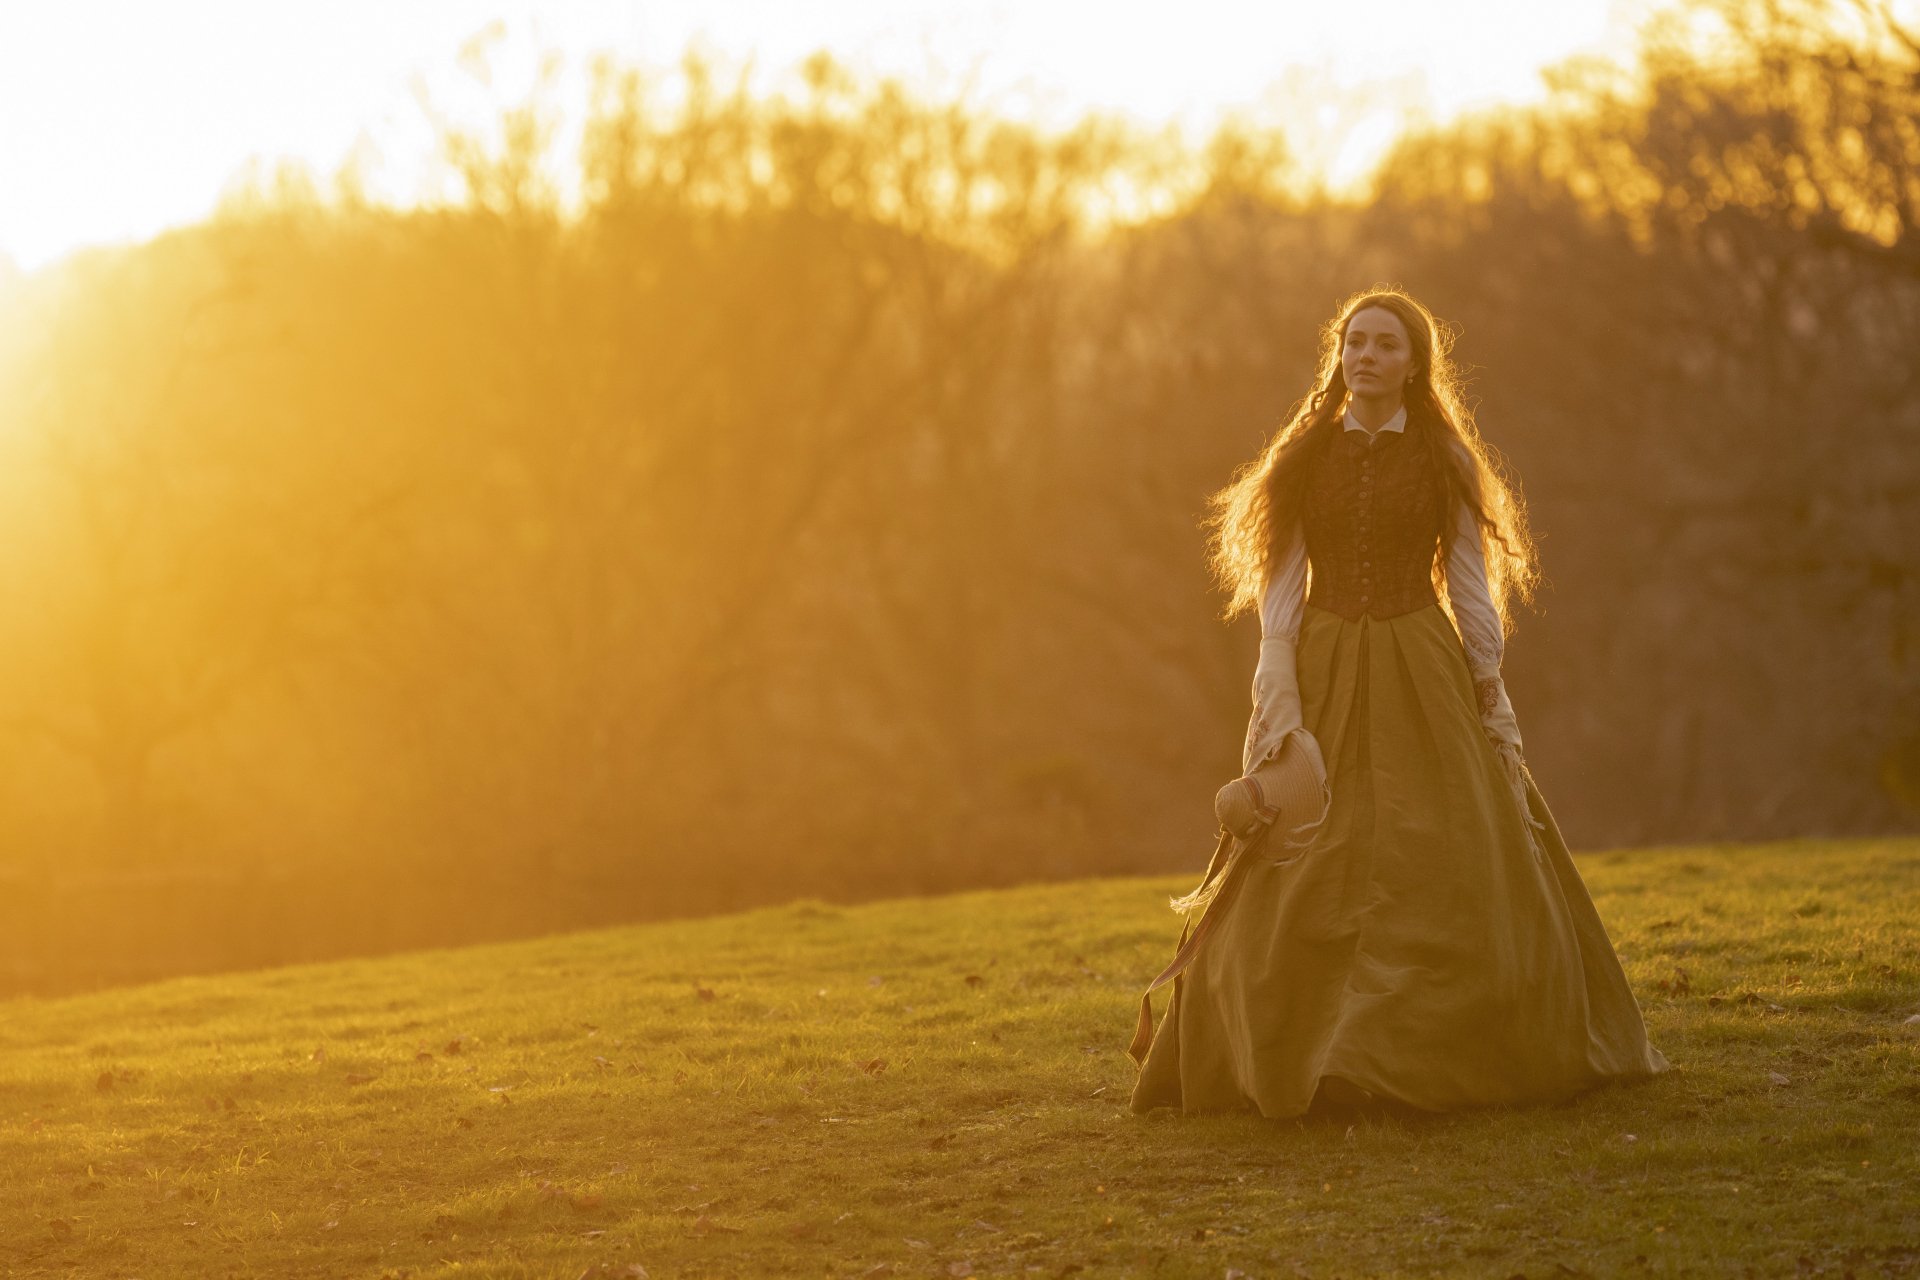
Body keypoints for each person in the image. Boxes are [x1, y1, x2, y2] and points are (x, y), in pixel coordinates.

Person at [1128, 287, 1671, 1119]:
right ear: (1338, 356)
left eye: (1385, 344)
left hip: (1422, 662)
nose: (1367, 356)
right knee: (1309, 849)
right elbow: (1281, 588)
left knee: (1446, 844)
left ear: (1416, 363)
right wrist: (1278, 692)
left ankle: (1421, 1047)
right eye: (1355, 342)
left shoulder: (1445, 459)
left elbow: (1469, 583)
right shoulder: (1304, 458)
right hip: (1324, 660)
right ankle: (1296, 1047)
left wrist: (1487, 685)